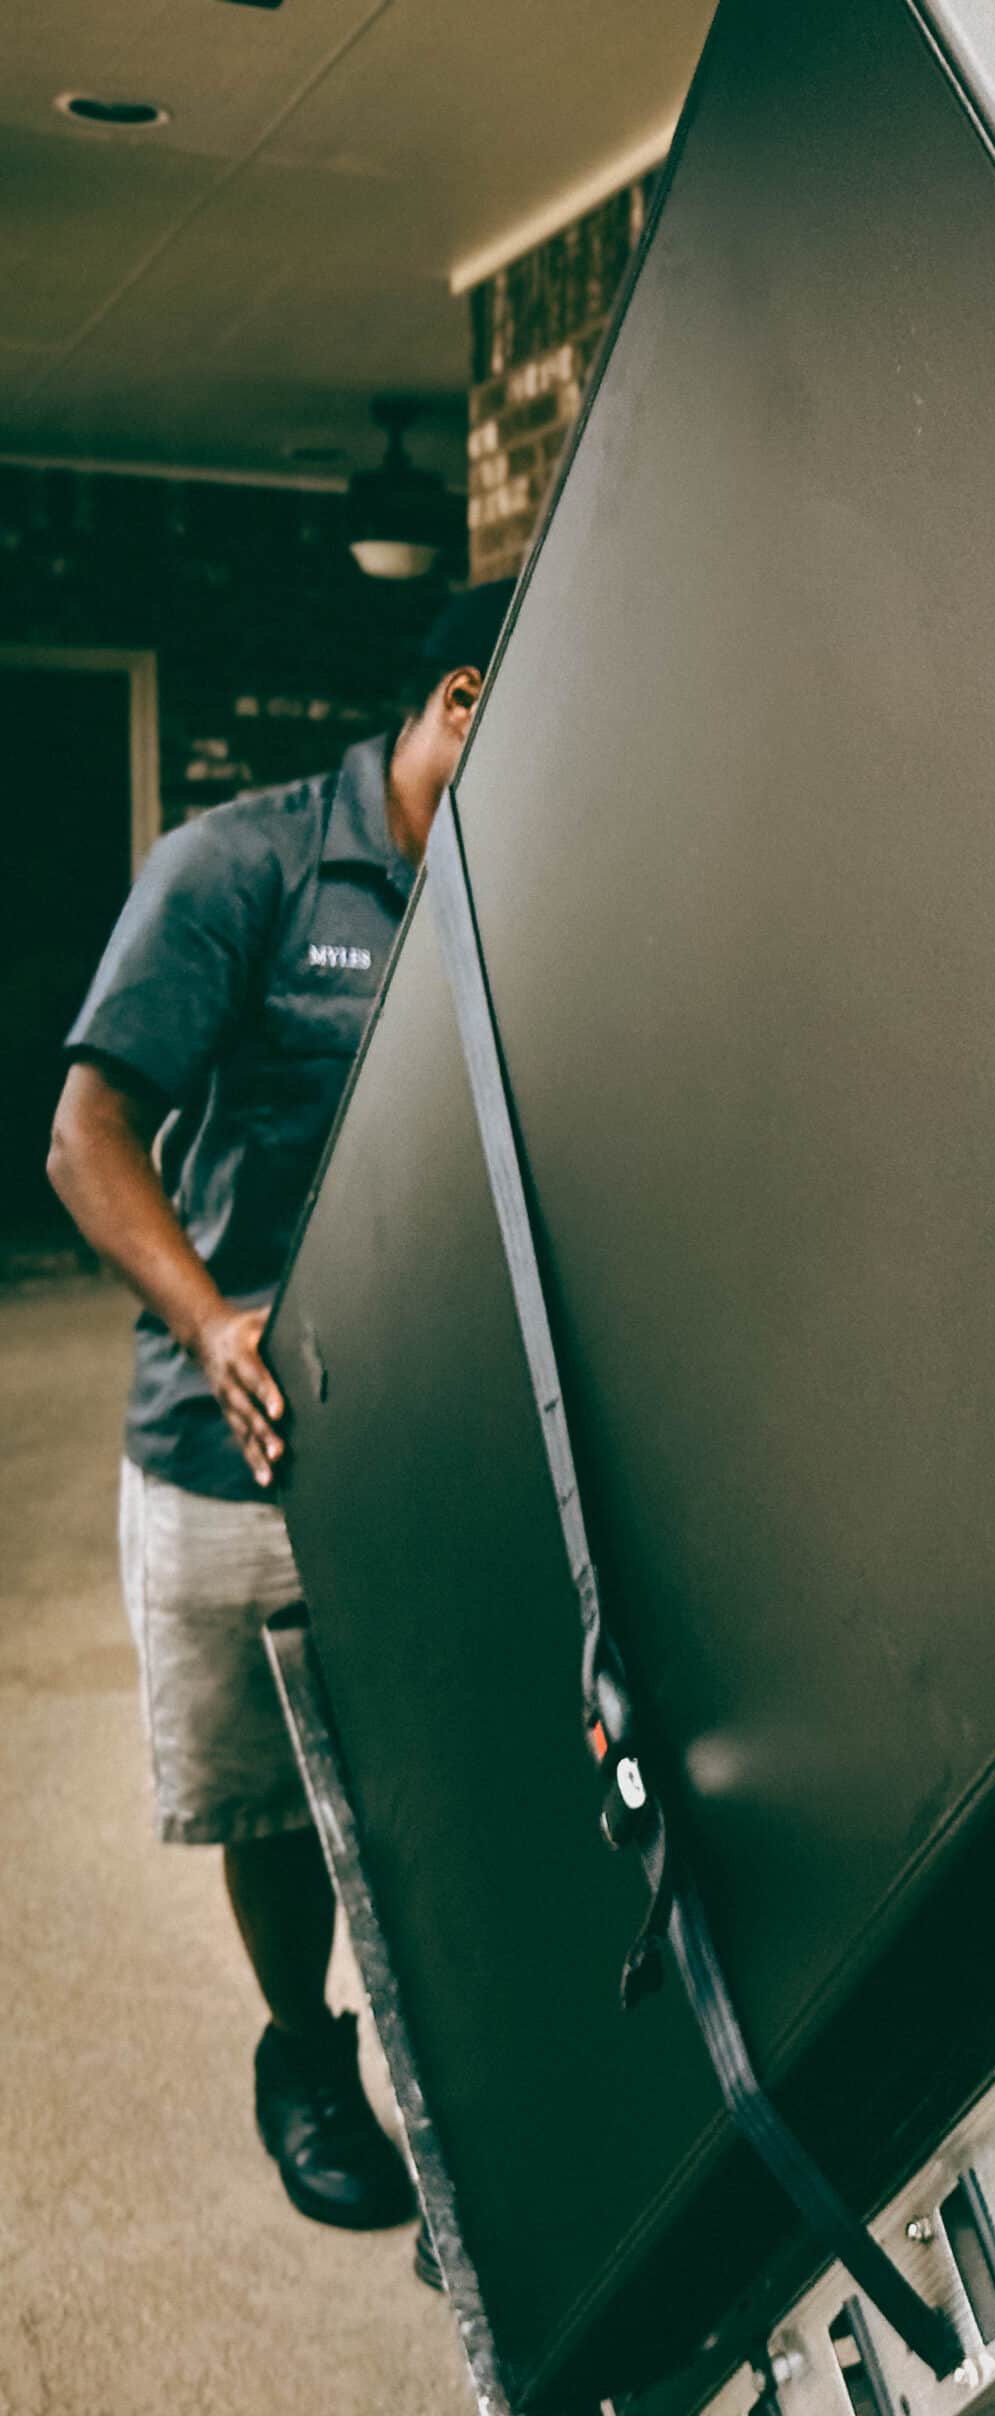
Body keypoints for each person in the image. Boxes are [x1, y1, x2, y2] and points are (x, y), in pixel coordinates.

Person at [47, 581, 514, 2247]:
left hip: (441, 1449)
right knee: (271, 1805)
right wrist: (209, 1316)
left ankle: (479, 2111)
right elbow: (86, 1139)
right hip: (238, 1451)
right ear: (460, 698)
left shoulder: (521, 877)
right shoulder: (240, 867)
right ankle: (305, 2051)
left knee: (445, 1794)